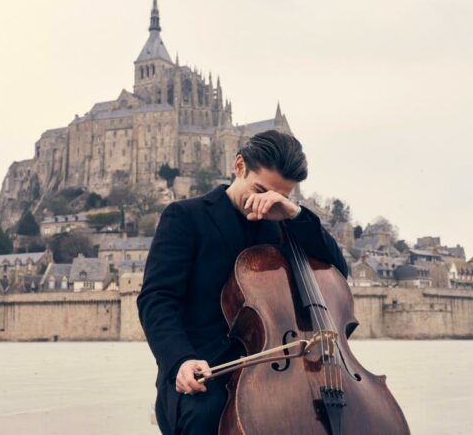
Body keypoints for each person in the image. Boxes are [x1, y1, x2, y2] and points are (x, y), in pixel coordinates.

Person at [137, 129, 349, 434]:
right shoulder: (185, 216)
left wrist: (296, 213)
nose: (266, 202)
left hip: (282, 371)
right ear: (239, 167)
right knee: (204, 416)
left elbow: (339, 272)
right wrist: (180, 360)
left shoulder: (287, 227)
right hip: (206, 369)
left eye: (280, 196)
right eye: (260, 189)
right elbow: (156, 299)